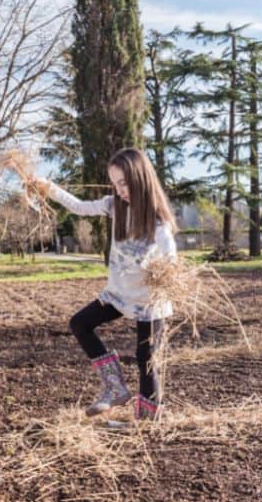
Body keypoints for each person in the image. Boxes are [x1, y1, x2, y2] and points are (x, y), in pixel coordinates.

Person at [27, 148, 177, 421]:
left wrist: (169, 272)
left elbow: (172, 260)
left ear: (141, 178)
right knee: (80, 324)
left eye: (124, 182)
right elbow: (80, 207)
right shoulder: (113, 206)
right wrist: (49, 188)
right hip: (118, 294)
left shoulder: (157, 223)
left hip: (148, 301)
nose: (120, 190)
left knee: (146, 357)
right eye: (115, 183)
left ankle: (148, 420)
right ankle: (115, 385)